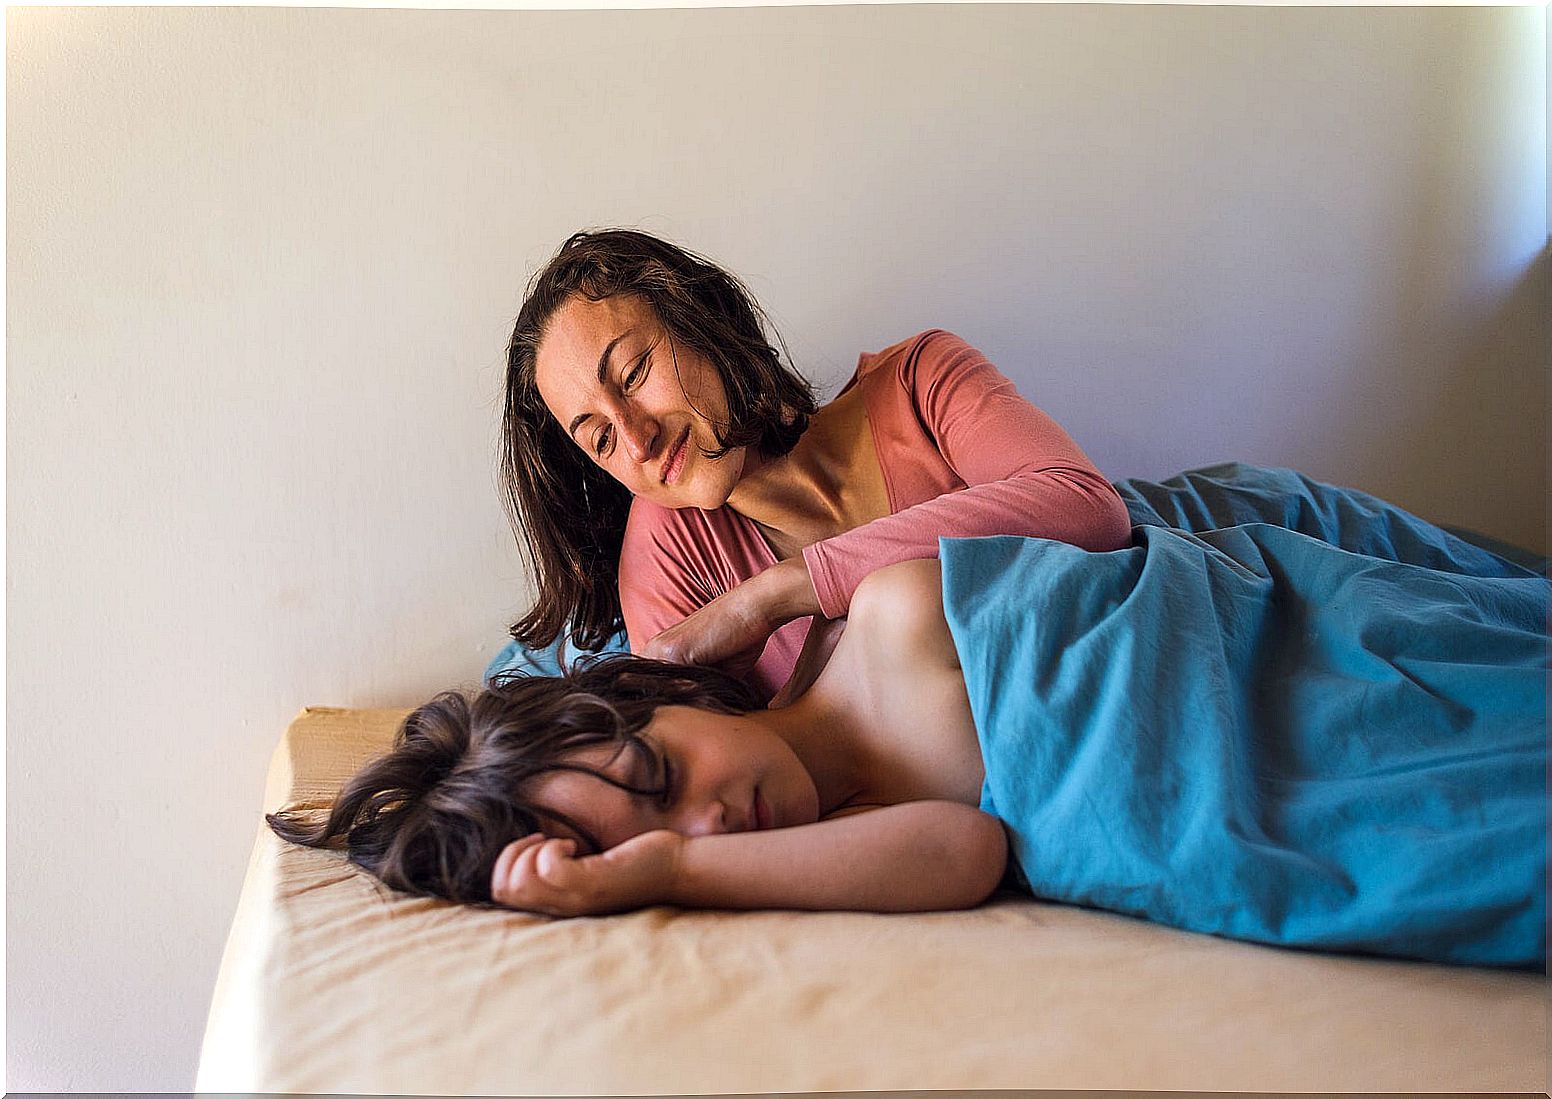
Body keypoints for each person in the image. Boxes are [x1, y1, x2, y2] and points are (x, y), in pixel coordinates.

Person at [499, 229, 1131, 701]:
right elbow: (702, 776)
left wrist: (778, 594)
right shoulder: (665, 553)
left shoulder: (919, 383)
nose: (637, 441)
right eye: (600, 439)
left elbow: (1087, 507)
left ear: (704, 320)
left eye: (635, 373)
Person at [271, 559, 1008, 914]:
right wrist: (669, 869)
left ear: (668, 689)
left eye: (662, 775)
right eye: (645, 840)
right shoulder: (826, 840)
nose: (708, 824)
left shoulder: (898, 613)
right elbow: (960, 848)